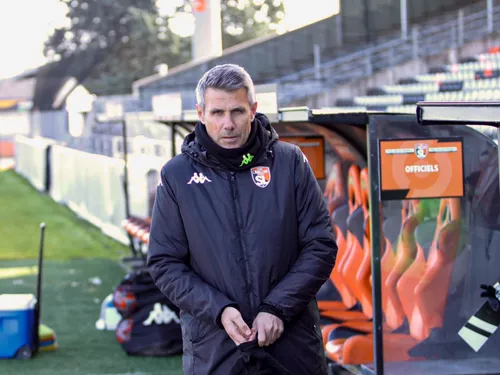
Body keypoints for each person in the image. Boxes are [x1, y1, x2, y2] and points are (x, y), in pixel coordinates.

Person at [147, 63, 337, 374]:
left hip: (292, 345)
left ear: (253, 109)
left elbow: (321, 245)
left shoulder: (289, 163)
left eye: (237, 111)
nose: (228, 124)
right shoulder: (176, 175)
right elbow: (164, 262)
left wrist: (277, 308)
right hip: (216, 345)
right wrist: (219, 310)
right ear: (200, 113)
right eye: (217, 113)